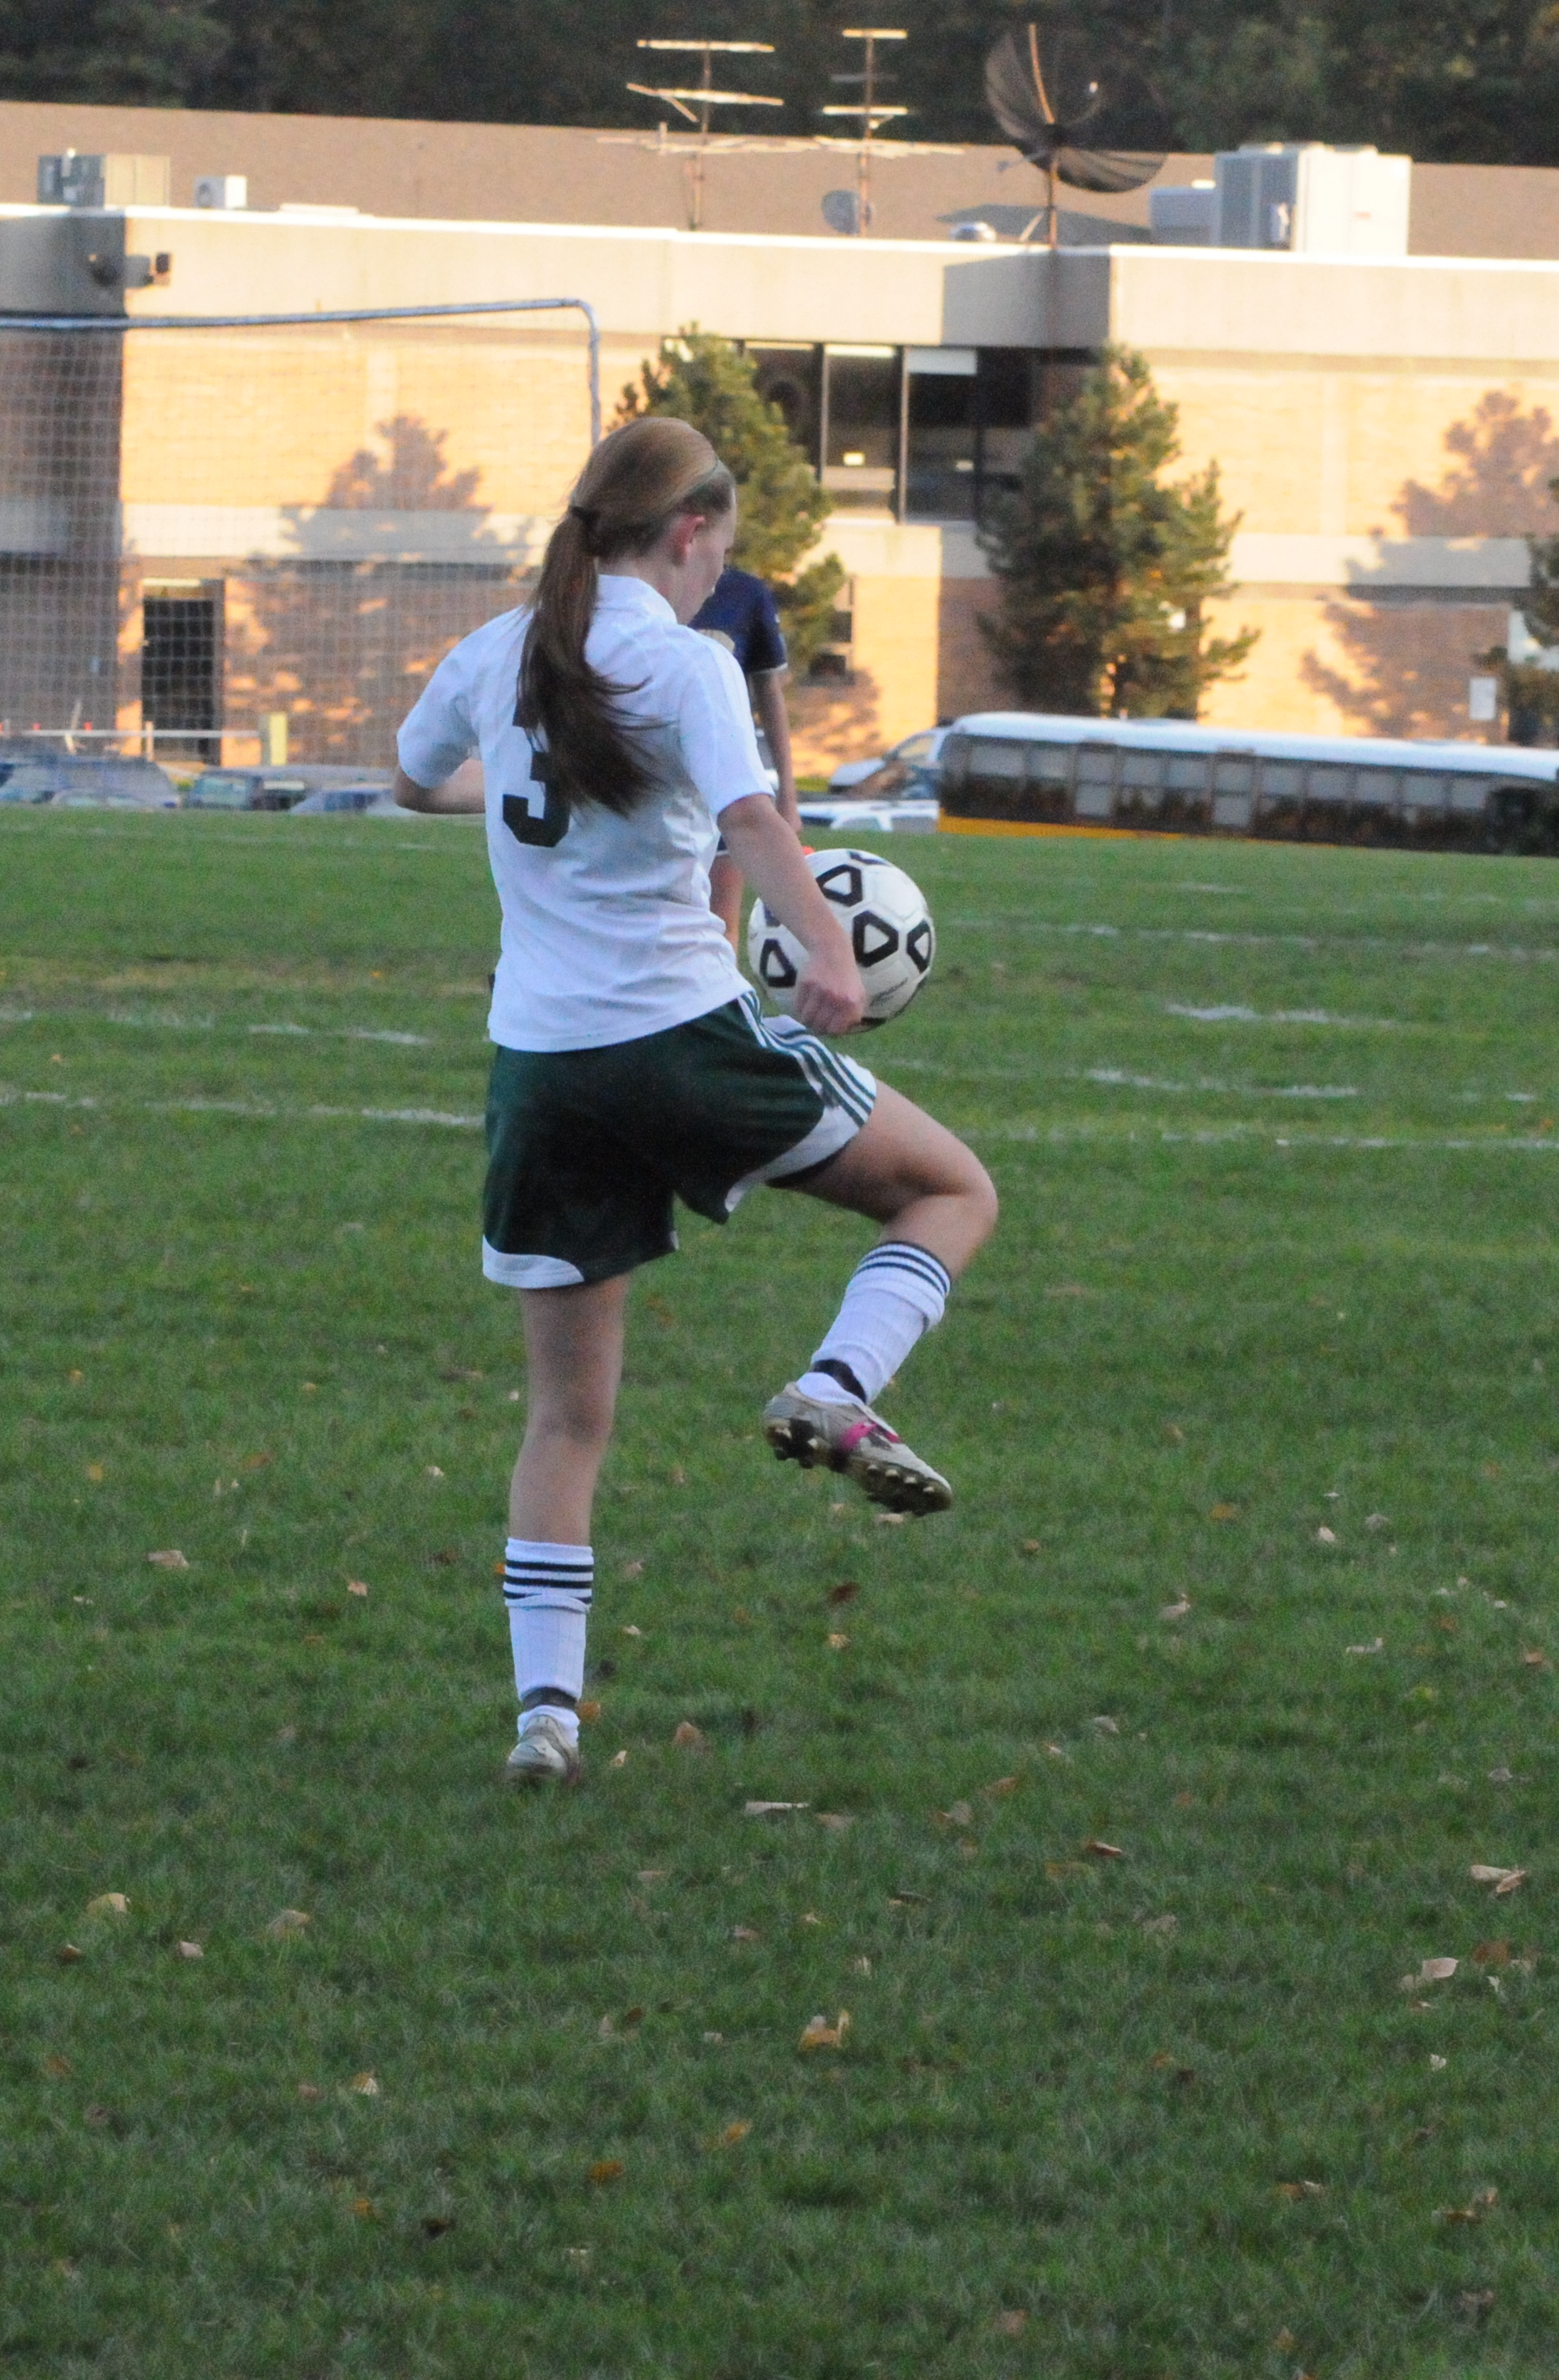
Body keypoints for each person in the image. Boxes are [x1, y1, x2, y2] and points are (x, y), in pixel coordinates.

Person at [395, 417, 1000, 1788]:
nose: (717, 570)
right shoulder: (685, 661)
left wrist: (520, 796)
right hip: (677, 1038)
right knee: (950, 1188)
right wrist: (826, 950)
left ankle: (545, 1718)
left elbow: (412, 779)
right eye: (718, 546)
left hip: (537, 1069)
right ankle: (836, 1385)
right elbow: (756, 821)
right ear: (687, 533)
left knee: (566, 1419)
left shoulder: (497, 654)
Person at [688, 562, 801, 941]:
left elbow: (769, 690)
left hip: (723, 772)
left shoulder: (746, 593)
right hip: (661, 770)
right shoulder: (652, 581)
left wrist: (787, 793)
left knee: (721, 922)